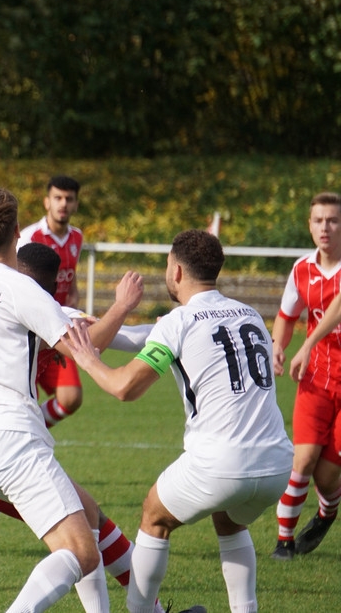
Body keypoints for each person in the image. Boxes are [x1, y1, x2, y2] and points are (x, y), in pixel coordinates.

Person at [64, 229, 293, 613]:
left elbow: (124, 388)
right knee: (229, 520)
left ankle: (139, 612)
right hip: (277, 465)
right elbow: (163, 337)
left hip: (221, 464)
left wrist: (88, 360)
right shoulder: (250, 314)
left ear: (178, 271)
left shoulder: (179, 321)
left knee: (155, 515)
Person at [0, 241, 159, 613]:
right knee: (80, 540)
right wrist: (159, 319)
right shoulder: (43, 308)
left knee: (82, 513)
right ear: (54, 289)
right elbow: (112, 341)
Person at [267, 191, 341, 560]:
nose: (325, 227)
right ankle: (284, 542)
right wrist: (277, 347)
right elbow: (286, 316)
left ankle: (327, 511)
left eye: (333, 220)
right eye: (318, 220)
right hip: (316, 378)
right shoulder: (301, 270)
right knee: (303, 459)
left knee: (327, 477)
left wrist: (308, 342)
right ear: (310, 226)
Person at [18, 175, 86, 428]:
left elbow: (70, 278)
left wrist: (73, 305)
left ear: (76, 204)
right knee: (24, 399)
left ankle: (34, 427)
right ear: (47, 202)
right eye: (58, 198)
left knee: (71, 397)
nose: (63, 204)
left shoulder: (76, 237)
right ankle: (27, 432)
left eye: (69, 199)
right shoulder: (29, 237)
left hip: (58, 329)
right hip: (30, 331)